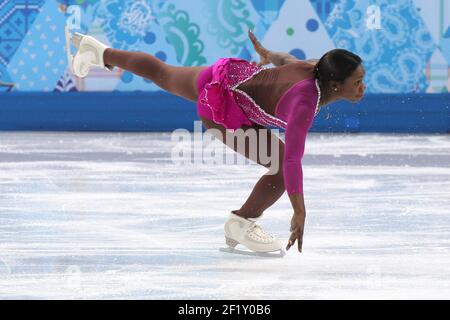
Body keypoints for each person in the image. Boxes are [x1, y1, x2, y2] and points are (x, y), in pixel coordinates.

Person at [66, 28, 366, 254]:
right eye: (357, 82)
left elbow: (287, 60)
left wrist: (268, 54)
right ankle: (241, 222)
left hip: (227, 77)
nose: (362, 88)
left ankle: (98, 51)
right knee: (279, 164)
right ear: (335, 84)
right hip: (223, 108)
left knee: (162, 72)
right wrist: (300, 210)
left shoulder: (317, 67)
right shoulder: (304, 102)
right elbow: (291, 161)